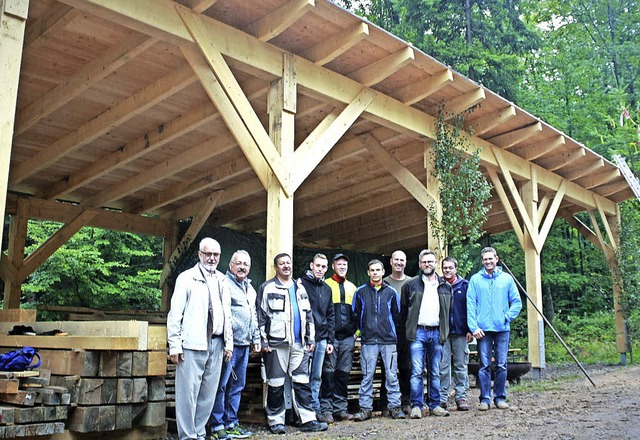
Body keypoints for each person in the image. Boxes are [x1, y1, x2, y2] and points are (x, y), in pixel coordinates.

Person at [167, 238, 233, 440]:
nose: (212, 258)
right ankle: (187, 436)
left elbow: (227, 314)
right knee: (188, 394)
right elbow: (175, 314)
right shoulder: (186, 278)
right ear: (199, 254)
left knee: (208, 394)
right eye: (208, 254)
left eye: (216, 255)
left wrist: (228, 343)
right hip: (192, 344)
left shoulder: (223, 279)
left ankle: (199, 432)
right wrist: (174, 346)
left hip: (217, 343)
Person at [256, 253, 328, 435]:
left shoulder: (300, 287)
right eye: (282, 264)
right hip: (276, 344)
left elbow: (309, 315)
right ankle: (275, 421)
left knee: (303, 382)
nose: (286, 266)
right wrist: (263, 341)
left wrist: (310, 339)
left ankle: (307, 419)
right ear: (276, 267)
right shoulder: (267, 288)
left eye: (288, 263)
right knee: (275, 384)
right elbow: (260, 318)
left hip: (300, 344)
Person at [209, 250, 260, 439]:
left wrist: (256, 338)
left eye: (245, 264)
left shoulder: (250, 288)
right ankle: (217, 426)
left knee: (237, 385)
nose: (242, 267)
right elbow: (224, 316)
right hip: (228, 345)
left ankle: (231, 423)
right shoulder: (224, 284)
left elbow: (253, 315)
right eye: (238, 263)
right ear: (230, 265)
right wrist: (227, 343)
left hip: (244, 345)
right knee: (221, 385)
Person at [467, 247, 522, 411]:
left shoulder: (506, 279)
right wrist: (473, 326)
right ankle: (484, 399)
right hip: (482, 330)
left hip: (502, 329)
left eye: (490, 258)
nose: (488, 261)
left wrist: (507, 317)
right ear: (482, 261)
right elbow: (470, 305)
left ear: (496, 259)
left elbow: (517, 302)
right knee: (483, 365)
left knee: (501, 365)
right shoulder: (475, 280)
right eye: (485, 259)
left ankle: (500, 397)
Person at [352, 259, 406, 421]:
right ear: (368, 272)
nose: (375, 273)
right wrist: (361, 332)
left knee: (391, 375)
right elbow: (355, 314)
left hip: (388, 341)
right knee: (367, 375)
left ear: (383, 272)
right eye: (372, 270)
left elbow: (397, 316)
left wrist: (390, 331)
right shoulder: (360, 292)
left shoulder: (391, 293)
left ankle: (395, 407)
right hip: (368, 341)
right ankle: (365, 408)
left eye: (378, 270)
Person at [401, 249, 452, 419]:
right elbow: (403, 312)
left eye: (430, 261)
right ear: (420, 264)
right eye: (424, 262)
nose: (427, 264)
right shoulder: (410, 285)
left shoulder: (446, 286)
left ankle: (435, 405)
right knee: (416, 371)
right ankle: (416, 406)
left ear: (436, 263)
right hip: (417, 333)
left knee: (435, 371)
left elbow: (448, 312)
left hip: (436, 333)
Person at [320, 253, 357, 422]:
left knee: (343, 373)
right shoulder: (325, 285)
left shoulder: (352, 287)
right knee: (328, 373)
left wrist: (356, 333)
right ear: (333, 266)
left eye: (345, 264)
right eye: (339, 264)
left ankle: (340, 408)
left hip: (348, 338)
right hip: (331, 338)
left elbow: (358, 313)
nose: (342, 267)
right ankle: (326, 408)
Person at [299, 253, 335, 423]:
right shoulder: (300, 285)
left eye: (323, 267)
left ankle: (314, 408)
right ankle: (301, 411)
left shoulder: (327, 289)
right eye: (318, 265)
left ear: (326, 269)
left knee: (316, 376)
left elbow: (330, 315)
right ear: (312, 265)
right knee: (301, 376)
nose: (320, 269)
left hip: (321, 340)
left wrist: (330, 340)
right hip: (304, 340)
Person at [439, 256, 472, 412]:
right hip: (442, 333)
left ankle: (461, 396)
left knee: (460, 366)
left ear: (456, 269)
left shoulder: (465, 285)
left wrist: (470, 329)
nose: (447, 270)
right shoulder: (437, 285)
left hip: (460, 332)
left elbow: (472, 308)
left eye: (450, 267)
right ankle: (442, 397)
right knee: (443, 366)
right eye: (445, 268)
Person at [383, 250, 411, 415]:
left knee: (406, 368)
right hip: (387, 332)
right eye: (396, 260)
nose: (399, 263)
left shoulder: (412, 282)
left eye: (402, 260)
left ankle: (405, 401)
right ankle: (385, 403)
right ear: (391, 262)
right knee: (388, 368)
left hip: (406, 332)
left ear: (405, 263)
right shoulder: (384, 282)